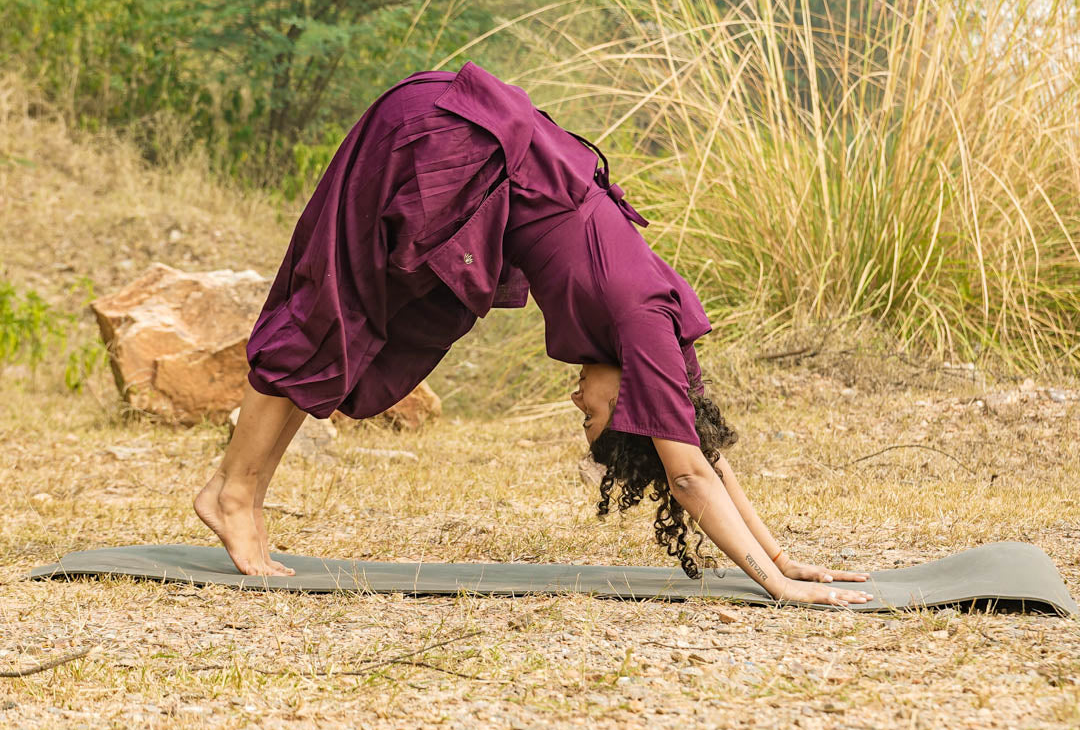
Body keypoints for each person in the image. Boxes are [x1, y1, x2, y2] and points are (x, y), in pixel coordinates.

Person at [195, 62, 872, 606]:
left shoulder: (657, 335)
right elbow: (689, 476)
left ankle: (240, 493)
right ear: (634, 408)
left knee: (348, 326)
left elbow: (701, 452)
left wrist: (784, 558)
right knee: (328, 316)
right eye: (597, 422)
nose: (580, 406)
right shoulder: (642, 328)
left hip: (470, 142)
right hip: (445, 140)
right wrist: (778, 588)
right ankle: (232, 496)